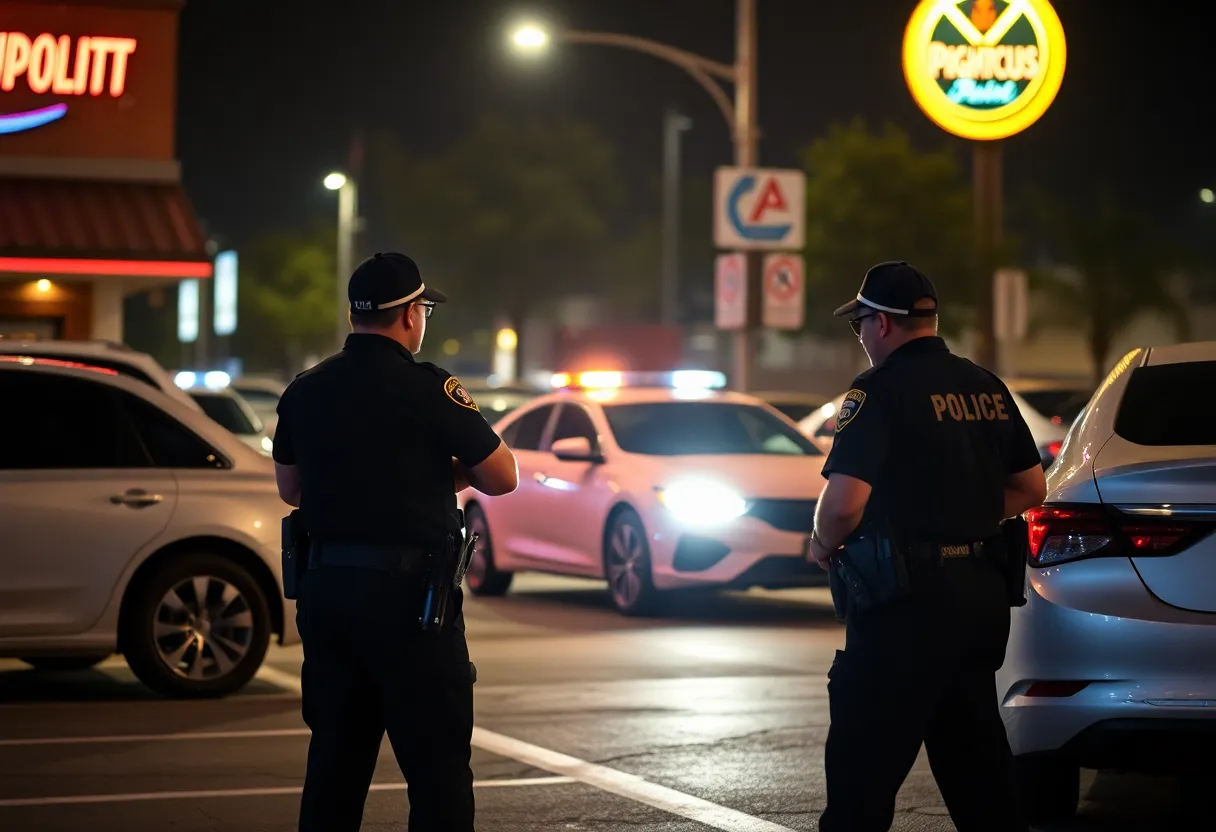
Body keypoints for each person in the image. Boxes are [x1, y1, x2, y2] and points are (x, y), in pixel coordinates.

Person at [272, 252, 519, 832]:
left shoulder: (306, 388)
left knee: (334, 766)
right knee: (437, 775)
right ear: (410, 314)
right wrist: (438, 474)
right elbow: (501, 477)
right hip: (411, 609)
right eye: (424, 308)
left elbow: (291, 489)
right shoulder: (430, 388)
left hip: (328, 599)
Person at [806, 261, 1047, 832]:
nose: (860, 336)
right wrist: (964, 515)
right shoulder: (985, 385)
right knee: (980, 776)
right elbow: (1030, 488)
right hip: (979, 605)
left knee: (860, 782)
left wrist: (819, 543)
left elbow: (843, 503)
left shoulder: (877, 391)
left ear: (882, 324)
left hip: (903, 610)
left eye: (859, 323)